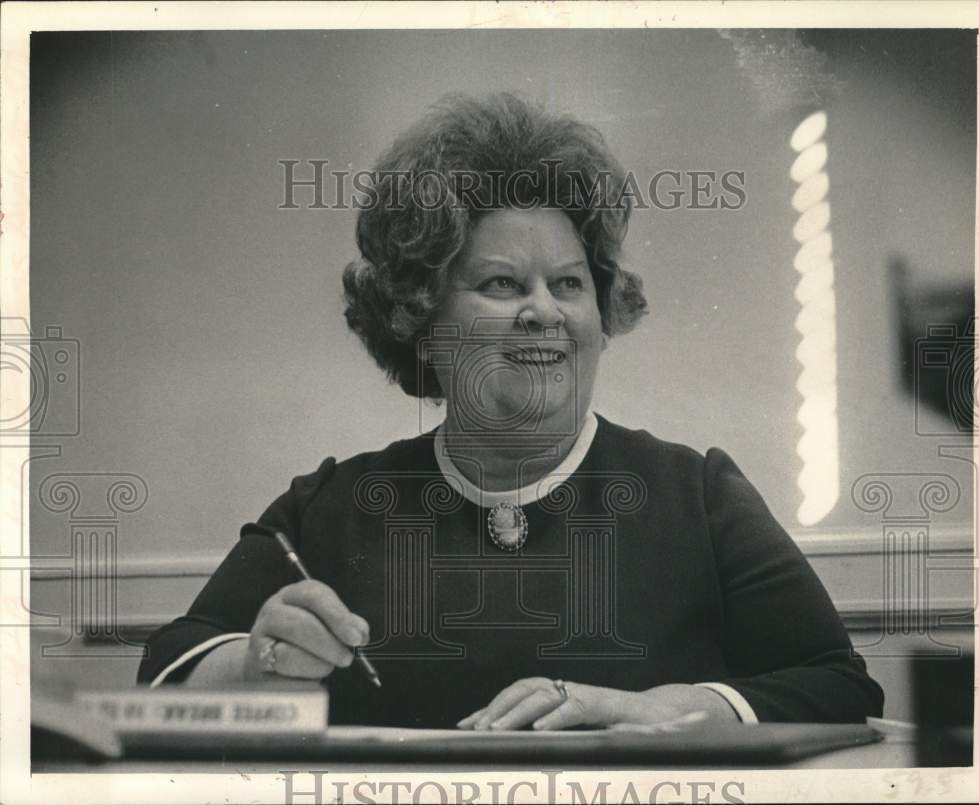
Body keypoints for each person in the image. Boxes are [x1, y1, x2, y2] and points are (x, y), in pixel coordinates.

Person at [137, 93, 884, 729]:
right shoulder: (329, 506)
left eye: (568, 283)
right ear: (420, 316)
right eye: (501, 285)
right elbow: (165, 670)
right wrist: (255, 661)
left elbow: (838, 685)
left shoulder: (700, 495)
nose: (544, 313)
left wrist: (667, 705)